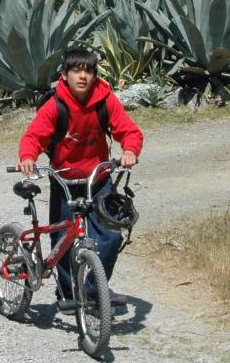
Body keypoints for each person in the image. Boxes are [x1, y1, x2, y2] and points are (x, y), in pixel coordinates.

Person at [17, 47, 143, 311]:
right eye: (76, 70)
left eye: (88, 71)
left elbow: (129, 130)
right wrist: (28, 156)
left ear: (95, 75)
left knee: (110, 236)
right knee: (62, 240)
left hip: (97, 181)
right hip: (63, 182)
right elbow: (34, 136)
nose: (83, 76)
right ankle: (67, 293)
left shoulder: (105, 100)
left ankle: (92, 292)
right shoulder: (55, 105)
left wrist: (130, 150)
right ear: (64, 75)